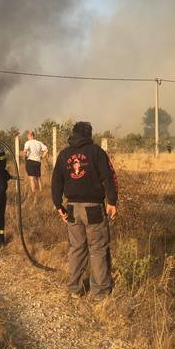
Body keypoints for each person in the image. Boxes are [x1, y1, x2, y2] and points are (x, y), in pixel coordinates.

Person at [51, 122, 118, 300]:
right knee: (97, 249)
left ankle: (75, 289)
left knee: (76, 248)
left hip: (72, 208)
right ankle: (100, 293)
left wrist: (58, 205)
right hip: (93, 208)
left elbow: (56, 181)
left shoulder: (64, 154)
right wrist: (112, 201)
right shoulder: (97, 152)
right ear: (89, 135)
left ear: (73, 135)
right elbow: (109, 177)